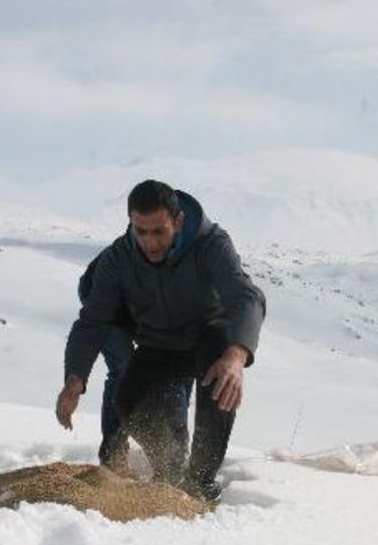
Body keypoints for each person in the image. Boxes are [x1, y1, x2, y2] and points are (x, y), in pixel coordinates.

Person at [55, 180, 266, 501]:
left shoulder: (210, 243)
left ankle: (200, 481)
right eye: (141, 232)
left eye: (159, 232)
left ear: (178, 222)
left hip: (209, 338)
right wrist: (74, 379)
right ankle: (170, 469)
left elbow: (247, 297)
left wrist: (237, 356)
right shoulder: (118, 258)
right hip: (159, 343)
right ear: (131, 223)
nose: (150, 243)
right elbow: (93, 321)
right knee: (128, 403)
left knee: (220, 380)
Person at [77, 249, 191, 474]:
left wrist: (178, 442)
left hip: (144, 310)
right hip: (102, 300)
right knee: (123, 368)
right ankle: (113, 456)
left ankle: (172, 458)